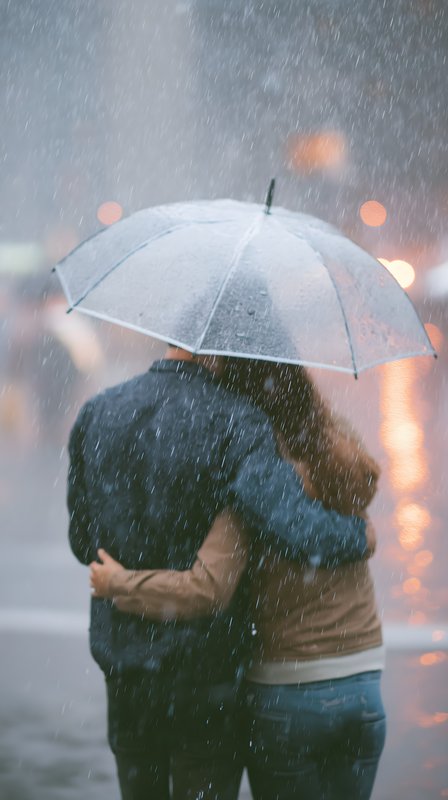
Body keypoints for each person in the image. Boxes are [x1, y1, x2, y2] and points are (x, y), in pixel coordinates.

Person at [68, 346, 372, 800]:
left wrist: (131, 558)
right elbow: (289, 522)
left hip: (126, 663)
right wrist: (359, 537)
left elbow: (82, 542)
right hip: (207, 674)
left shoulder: (98, 411)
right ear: (219, 348)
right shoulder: (236, 421)